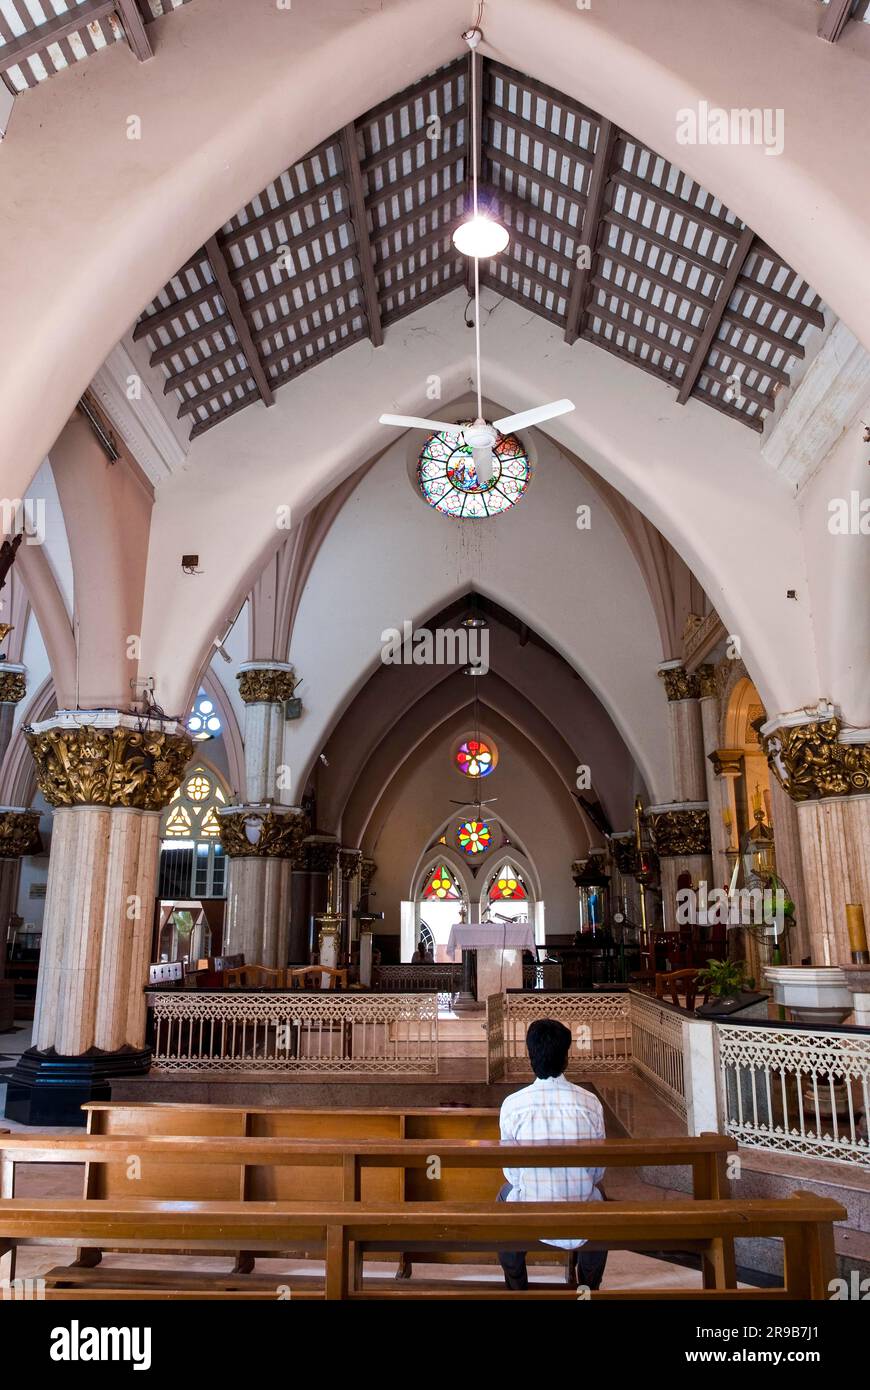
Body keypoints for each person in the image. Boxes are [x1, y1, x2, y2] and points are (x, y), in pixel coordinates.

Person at [497, 1017, 607, 1291]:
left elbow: (512, 1173)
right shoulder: (590, 1103)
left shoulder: (513, 1105)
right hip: (581, 1212)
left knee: (502, 1198)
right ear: (566, 1058)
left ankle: (516, 1286)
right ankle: (588, 1288)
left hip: (530, 1212)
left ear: (530, 1057)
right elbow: (597, 1170)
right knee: (601, 1199)